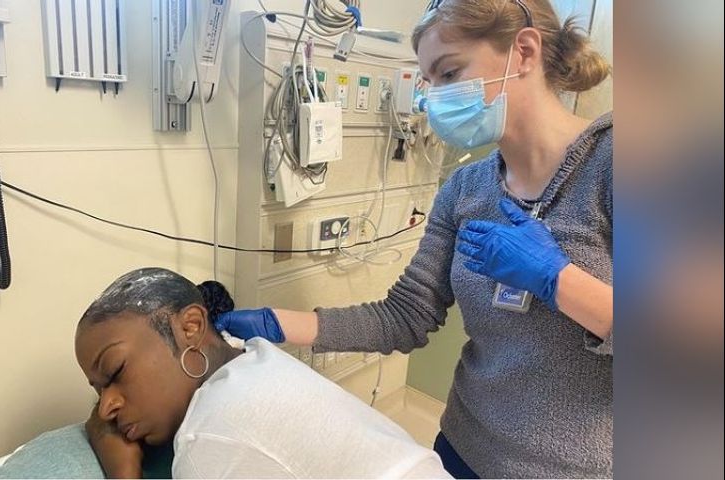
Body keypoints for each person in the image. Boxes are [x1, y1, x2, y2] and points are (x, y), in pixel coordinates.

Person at [215, 0, 613, 477]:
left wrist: (557, 280)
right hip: (463, 448)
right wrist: (276, 323)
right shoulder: (466, 190)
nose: (432, 98)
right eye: (427, 80)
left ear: (523, 52)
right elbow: (406, 316)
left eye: (448, 73)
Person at [75, 267, 449, 479]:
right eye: (98, 391)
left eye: (116, 371)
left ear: (190, 327)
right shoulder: (257, 358)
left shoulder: (210, 434)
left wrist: (122, 471)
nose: (106, 406)